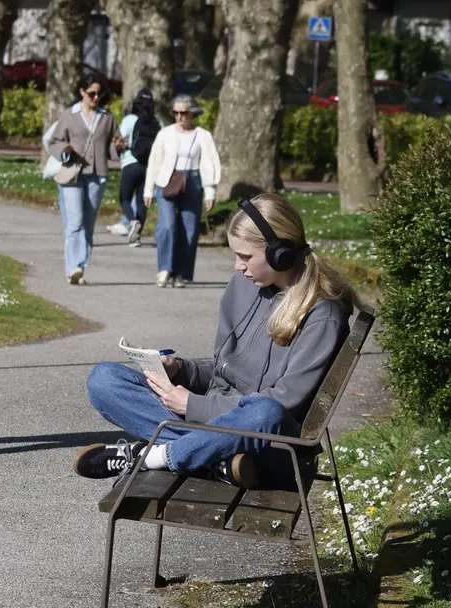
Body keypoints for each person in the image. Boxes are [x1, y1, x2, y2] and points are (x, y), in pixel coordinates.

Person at [74, 194, 358, 489]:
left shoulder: (322, 315)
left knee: (265, 411)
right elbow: (224, 367)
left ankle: (150, 456)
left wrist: (193, 406)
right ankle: (213, 461)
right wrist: (180, 369)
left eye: (246, 257)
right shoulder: (244, 285)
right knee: (104, 379)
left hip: (268, 446)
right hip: (218, 430)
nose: (237, 266)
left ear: (280, 254)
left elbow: (284, 405)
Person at [47, 74, 120, 285]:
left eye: (100, 94)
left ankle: (81, 265)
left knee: (88, 224)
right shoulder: (69, 115)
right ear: (82, 92)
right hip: (72, 174)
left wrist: (119, 146)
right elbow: (54, 141)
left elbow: (111, 148)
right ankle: (74, 267)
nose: (96, 98)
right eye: (92, 93)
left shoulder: (107, 118)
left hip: (97, 175)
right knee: (75, 221)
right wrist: (65, 150)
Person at [143, 95, 221, 288]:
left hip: (192, 181)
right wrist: (148, 189)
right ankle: (165, 269)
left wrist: (210, 191)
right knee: (167, 225)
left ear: (192, 113)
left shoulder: (203, 135)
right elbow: (154, 161)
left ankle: (181, 273)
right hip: (167, 180)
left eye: (183, 113)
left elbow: (210, 163)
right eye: (176, 112)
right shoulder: (165, 133)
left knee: (190, 229)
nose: (179, 116)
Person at [105, 88, 159, 247]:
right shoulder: (158, 123)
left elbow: (118, 141)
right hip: (149, 167)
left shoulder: (129, 120)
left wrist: (119, 147)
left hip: (130, 164)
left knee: (125, 198)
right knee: (142, 201)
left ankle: (132, 221)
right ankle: (136, 238)